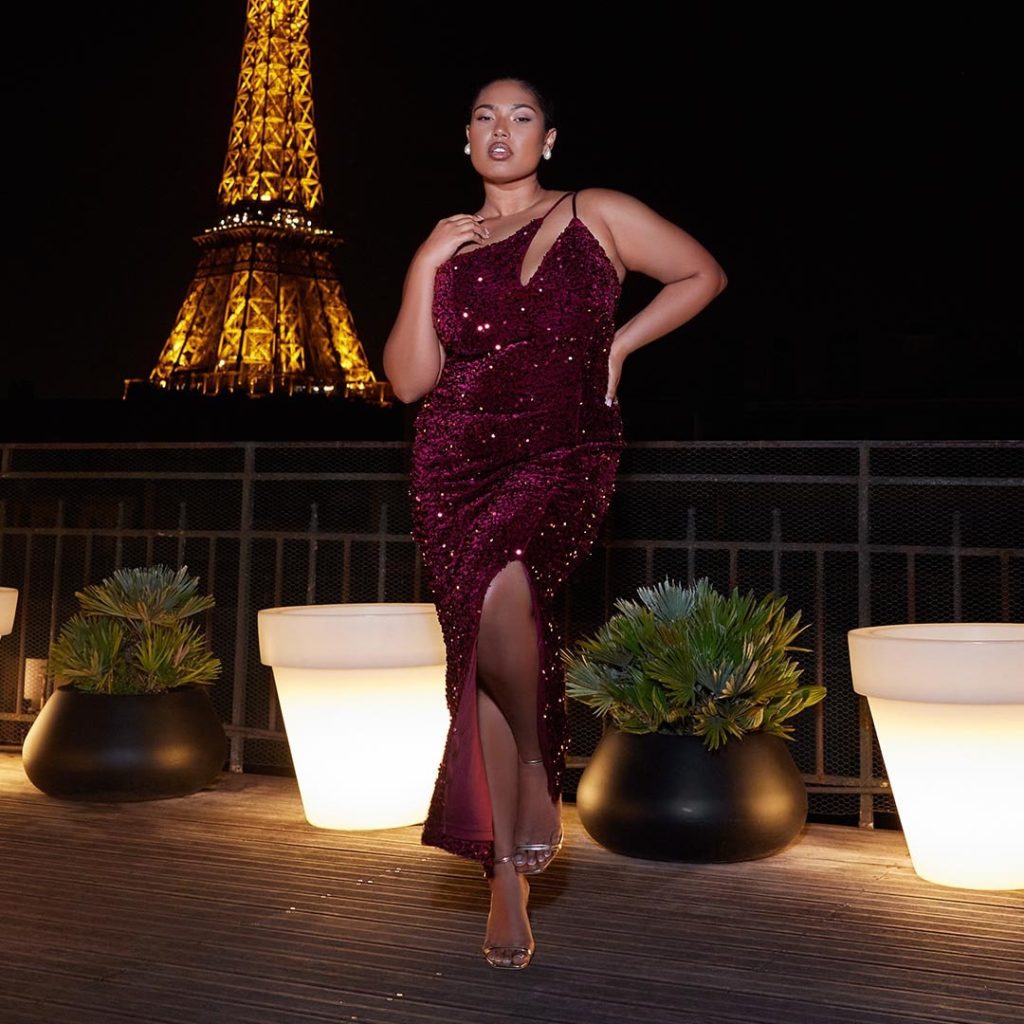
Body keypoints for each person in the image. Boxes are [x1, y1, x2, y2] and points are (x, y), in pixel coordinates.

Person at [383, 75, 727, 970]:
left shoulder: (596, 212)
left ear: (550, 138)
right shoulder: (448, 246)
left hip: (567, 449)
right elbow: (409, 382)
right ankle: (505, 874)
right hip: (453, 462)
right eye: (485, 118)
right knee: (485, 656)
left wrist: (618, 343)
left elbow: (702, 274)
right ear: (466, 141)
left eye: (521, 116)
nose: (503, 130)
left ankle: (536, 769)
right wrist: (423, 262)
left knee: (508, 595)